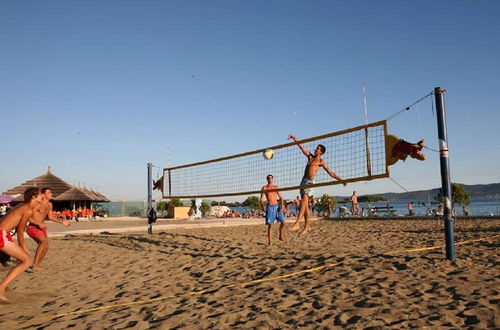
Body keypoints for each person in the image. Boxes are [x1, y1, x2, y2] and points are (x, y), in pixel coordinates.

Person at [288, 134, 345, 234]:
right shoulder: (310, 157)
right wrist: (294, 138)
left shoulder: (321, 161)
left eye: (317, 148)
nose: (315, 149)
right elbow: (301, 147)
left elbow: (331, 173)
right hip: (303, 181)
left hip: (310, 182)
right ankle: (307, 226)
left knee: (303, 203)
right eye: (316, 148)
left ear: (321, 152)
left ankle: (297, 223)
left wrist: (340, 180)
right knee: (305, 205)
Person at [0, 187, 44, 302]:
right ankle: (1, 288)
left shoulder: (23, 206)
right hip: (1, 234)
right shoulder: (27, 209)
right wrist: (22, 247)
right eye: (40, 195)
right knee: (26, 261)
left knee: (3, 260)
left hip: (3, 233)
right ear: (33, 197)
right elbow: (20, 231)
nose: (42, 197)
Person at [17, 188, 71, 272]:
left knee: (46, 247)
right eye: (48, 192)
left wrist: (62, 222)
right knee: (43, 242)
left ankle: (37, 265)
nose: (51, 194)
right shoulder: (38, 204)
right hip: (32, 227)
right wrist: (38, 223)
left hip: (41, 228)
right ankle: (34, 265)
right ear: (43, 194)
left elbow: (50, 217)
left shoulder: (49, 205)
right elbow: (27, 216)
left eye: (51, 192)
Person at [260, 174, 285, 246]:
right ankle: (270, 242)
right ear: (267, 179)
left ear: (272, 179)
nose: (269, 179)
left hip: (277, 206)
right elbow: (261, 199)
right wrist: (262, 206)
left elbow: (281, 197)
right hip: (270, 207)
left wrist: (282, 206)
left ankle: (280, 235)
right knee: (270, 225)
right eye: (268, 178)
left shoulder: (275, 187)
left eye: (270, 178)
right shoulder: (264, 188)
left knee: (283, 222)